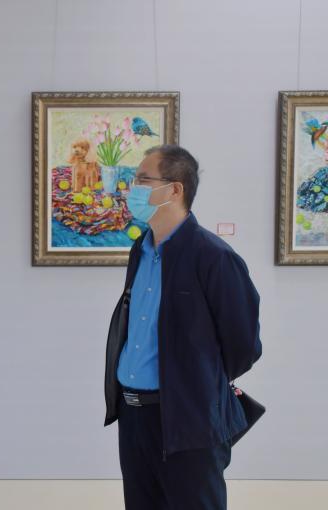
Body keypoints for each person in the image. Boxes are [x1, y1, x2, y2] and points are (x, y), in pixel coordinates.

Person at [104, 145, 262, 510]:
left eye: (142, 179)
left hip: (188, 418)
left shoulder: (214, 256)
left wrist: (196, 385)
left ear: (175, 189)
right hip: (133, 416)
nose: (132, 189)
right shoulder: (141, 250)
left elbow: (244, 346)